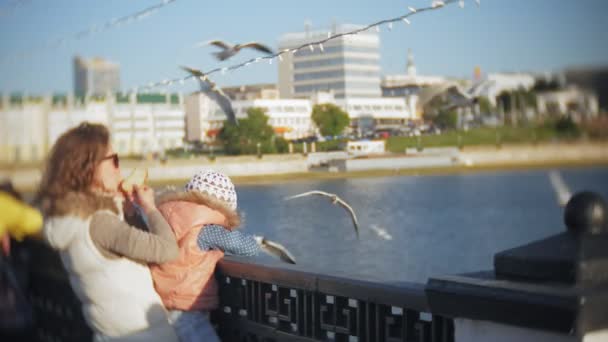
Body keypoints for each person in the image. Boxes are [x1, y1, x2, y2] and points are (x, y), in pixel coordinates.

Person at [39, 122, 179, 342]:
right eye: (114, 160)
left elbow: (130, 252)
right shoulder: (100, 223)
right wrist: (150, 207)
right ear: (90, 167)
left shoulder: (71, 220)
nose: (119, 168)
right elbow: (167, 250)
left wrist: (130, 213)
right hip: (142, 336)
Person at [150, 169, 261, 342]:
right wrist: (259, 243)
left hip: (158, 302)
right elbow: (245, 248)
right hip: (186, 307)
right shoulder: (208, 227)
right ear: (225, 207)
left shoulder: (165, 215)